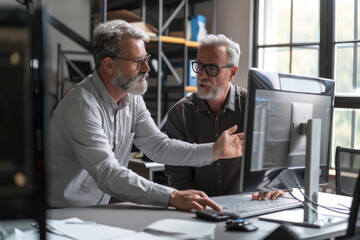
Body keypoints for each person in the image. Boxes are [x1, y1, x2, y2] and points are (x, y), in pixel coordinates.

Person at [47, 20, 244, 211]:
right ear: (109, 65)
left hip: (97, 208)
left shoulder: (132, 98)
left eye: (146, 59)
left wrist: (215, 151)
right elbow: (108, 173)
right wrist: (171, 197)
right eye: (138, 62)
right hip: (62, 214)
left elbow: (159, 146)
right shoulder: (81, 106)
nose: (147, 68)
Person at [165, 34, 283, 201]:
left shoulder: (256, 108)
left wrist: (274, 184)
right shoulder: (180, 114)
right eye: (199, 66)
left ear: (232, 73)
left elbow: (273, 164)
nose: (201, 75)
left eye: (212, 68)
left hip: (247, 205)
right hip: (198, 209)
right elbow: (179, 177)